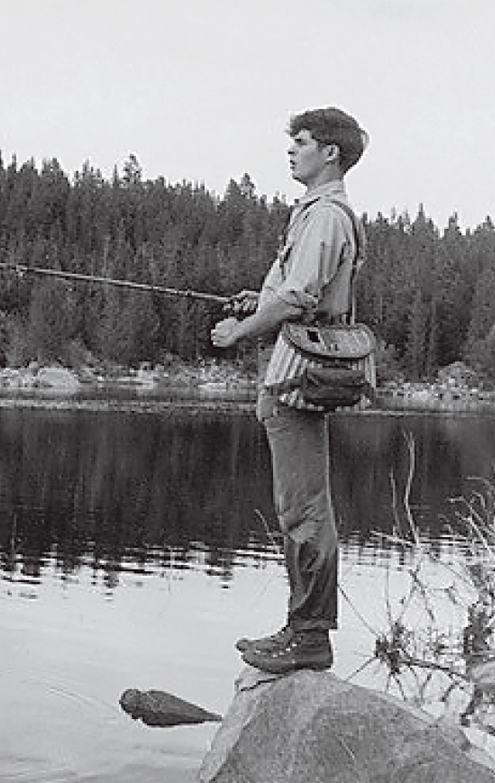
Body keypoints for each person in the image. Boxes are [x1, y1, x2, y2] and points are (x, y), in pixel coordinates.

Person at [211, 107, 368, 674]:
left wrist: (239, 330)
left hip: (301, 377)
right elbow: (295, 291)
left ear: (330, 152)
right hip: (294, 373)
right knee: (296, 507)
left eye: (300, 142)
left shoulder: (326, 215)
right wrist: (259, 301)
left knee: (303, 509)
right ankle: (301, 629)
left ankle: (308, 637)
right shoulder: (315, 214)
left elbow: (300, 296)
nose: (291, 150)